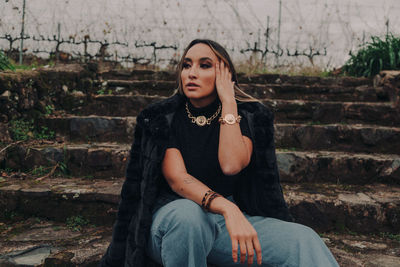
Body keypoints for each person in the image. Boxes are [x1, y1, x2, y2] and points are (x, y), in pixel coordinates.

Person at [99, 39, 339, 267]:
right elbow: (178, 179)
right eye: (186, 65)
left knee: (303, 239)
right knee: (189, 217)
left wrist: (229, 101)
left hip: (223, 226)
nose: (191, 73)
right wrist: (227, 207)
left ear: (226, 76)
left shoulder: (247, 119)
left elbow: (231, 164)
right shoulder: (164, 118)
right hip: (171, 221)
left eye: (204, 65)